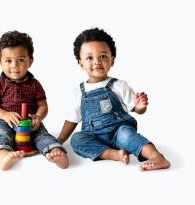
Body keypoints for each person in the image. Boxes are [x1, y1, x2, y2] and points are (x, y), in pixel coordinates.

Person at [58, 28, 170, 171]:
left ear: (112, 60)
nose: (97, 62)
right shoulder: (78, 93)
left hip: (119, 132)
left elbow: (136, 109)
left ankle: (157, 156)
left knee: (128, 136)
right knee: (77, 139)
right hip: (93, 136)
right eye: (89, 58)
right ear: (81, 63)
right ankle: (113, 154)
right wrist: (60, 140)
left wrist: (140, 106)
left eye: (103, 56)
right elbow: (72, 120)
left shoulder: (119, 85)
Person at [0, 30, 68, 170]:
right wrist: (5, 115)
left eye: (20, 60)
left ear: (30, 61)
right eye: (8, 61)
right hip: (4, 122)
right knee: (0, 135)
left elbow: (43, 105)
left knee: (42, 135)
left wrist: (39, 117)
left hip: (30, 124)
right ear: (0, 62)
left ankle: (55, 151)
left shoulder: (34, 84)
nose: (14, 65)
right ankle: (3, 155)